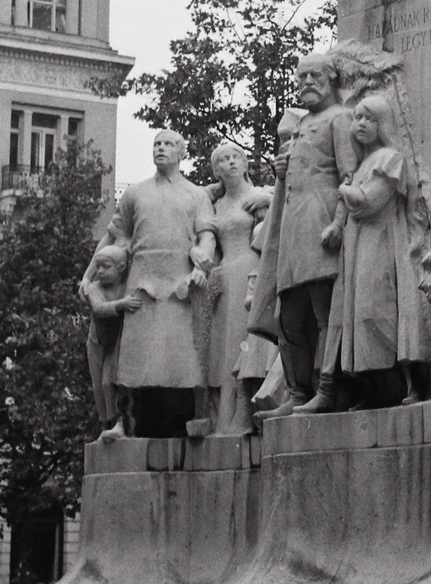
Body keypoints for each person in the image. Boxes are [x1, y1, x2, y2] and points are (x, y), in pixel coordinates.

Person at [302, 94, 431, 411]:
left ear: (382, 124)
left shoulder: (391, 158)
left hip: (382, 243)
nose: (360, 124)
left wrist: (343, 189)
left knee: (379, 309)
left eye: (369, 118)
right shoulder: (362, 165)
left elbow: (368, 201)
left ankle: (408, 382)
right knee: (357, 315)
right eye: (357, 117)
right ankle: (371, 388)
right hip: (357, 246)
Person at [86, 129, 216, 437]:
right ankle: (123, 421)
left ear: (181, 152)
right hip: (142, 281)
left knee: (182, 355)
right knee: (131, 357)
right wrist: (88, 275)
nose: (161, 149)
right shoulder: (135, 193)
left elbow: (207, 235)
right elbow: (115, 235)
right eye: (157, 144)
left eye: (168, 144)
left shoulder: (196, 194)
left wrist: (203, 265)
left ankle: (195, 416)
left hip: (179, 282)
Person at [249, 55, 356, 413]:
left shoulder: (340, 118)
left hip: (321, 217)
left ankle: (327, 388)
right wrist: (281, 170)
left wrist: (339, 222)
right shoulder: (301, 123)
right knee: (288, 316)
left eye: (315, 75)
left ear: (331, 79)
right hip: (294, 227)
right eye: (302, 76)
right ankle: (297, 393)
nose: (307, 81)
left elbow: (348, 174)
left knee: (324, 312)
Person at [203, 141, 272, 436]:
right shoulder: (215, 204)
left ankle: (247, 410)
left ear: (245, 164)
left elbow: (266, 233)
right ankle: (224, 415)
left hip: (249, 268)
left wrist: (266, 198)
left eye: (236, 157)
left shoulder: (257, 196)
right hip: (224, 275)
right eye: (224, 159)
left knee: (245, 338)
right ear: (217, 169)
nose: (231, 162)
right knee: (223, 345)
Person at [79, 243, 140, 437]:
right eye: (98, 267)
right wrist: (121, 304)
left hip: (119, 341)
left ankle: (121, 422)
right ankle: (107, 424)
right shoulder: (95, 288)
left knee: (113, 382)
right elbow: (98, 309)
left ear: (121, 267)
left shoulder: (127, 285)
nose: (100, 271)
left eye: (106, 267)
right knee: (100, 386)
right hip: (99, 343)